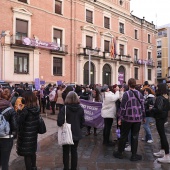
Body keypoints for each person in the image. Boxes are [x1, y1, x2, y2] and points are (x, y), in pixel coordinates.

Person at [114, 78, 145, 161]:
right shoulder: (140, 94)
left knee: (124, 136)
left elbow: (123, 107)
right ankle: (134, 155)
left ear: (128, 84)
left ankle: (120, 152)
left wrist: (120, 118)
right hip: (137, 119)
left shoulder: (126, 94)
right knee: (135, 136)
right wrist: (144, 117)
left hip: (127, 118)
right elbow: (143, 107)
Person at [57, 91, 85, 170]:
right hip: (76, 132)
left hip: (66, 133)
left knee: (65, 152)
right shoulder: (81, 109)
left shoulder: (64, 108)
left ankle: (66, 168)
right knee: (74, 151)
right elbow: (83, 122)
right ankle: (74, 168)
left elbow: (60, 122)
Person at [16, 91, 40, 170]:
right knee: (32, 152)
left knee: (27, 155)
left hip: (25, 135)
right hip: (33, 134)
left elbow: (19, 121)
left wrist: (19, 111)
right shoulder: (36, 109)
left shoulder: (25, 110)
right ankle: (34, 167)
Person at [151, 83, 170, 163]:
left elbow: (158, 109)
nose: (156, 88)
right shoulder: (166, 97)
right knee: (162, 135)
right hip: (164, 117)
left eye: (157, 87)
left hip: (159, 118)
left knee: (162, 135)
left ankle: (167, 155)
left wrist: (152, 108)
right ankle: (162, 151)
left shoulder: (159, 98)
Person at [0, 89, 17, 170]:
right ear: (10, 98)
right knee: (5, 163)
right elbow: (14, 127)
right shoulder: (11, 110)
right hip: (6, 138)